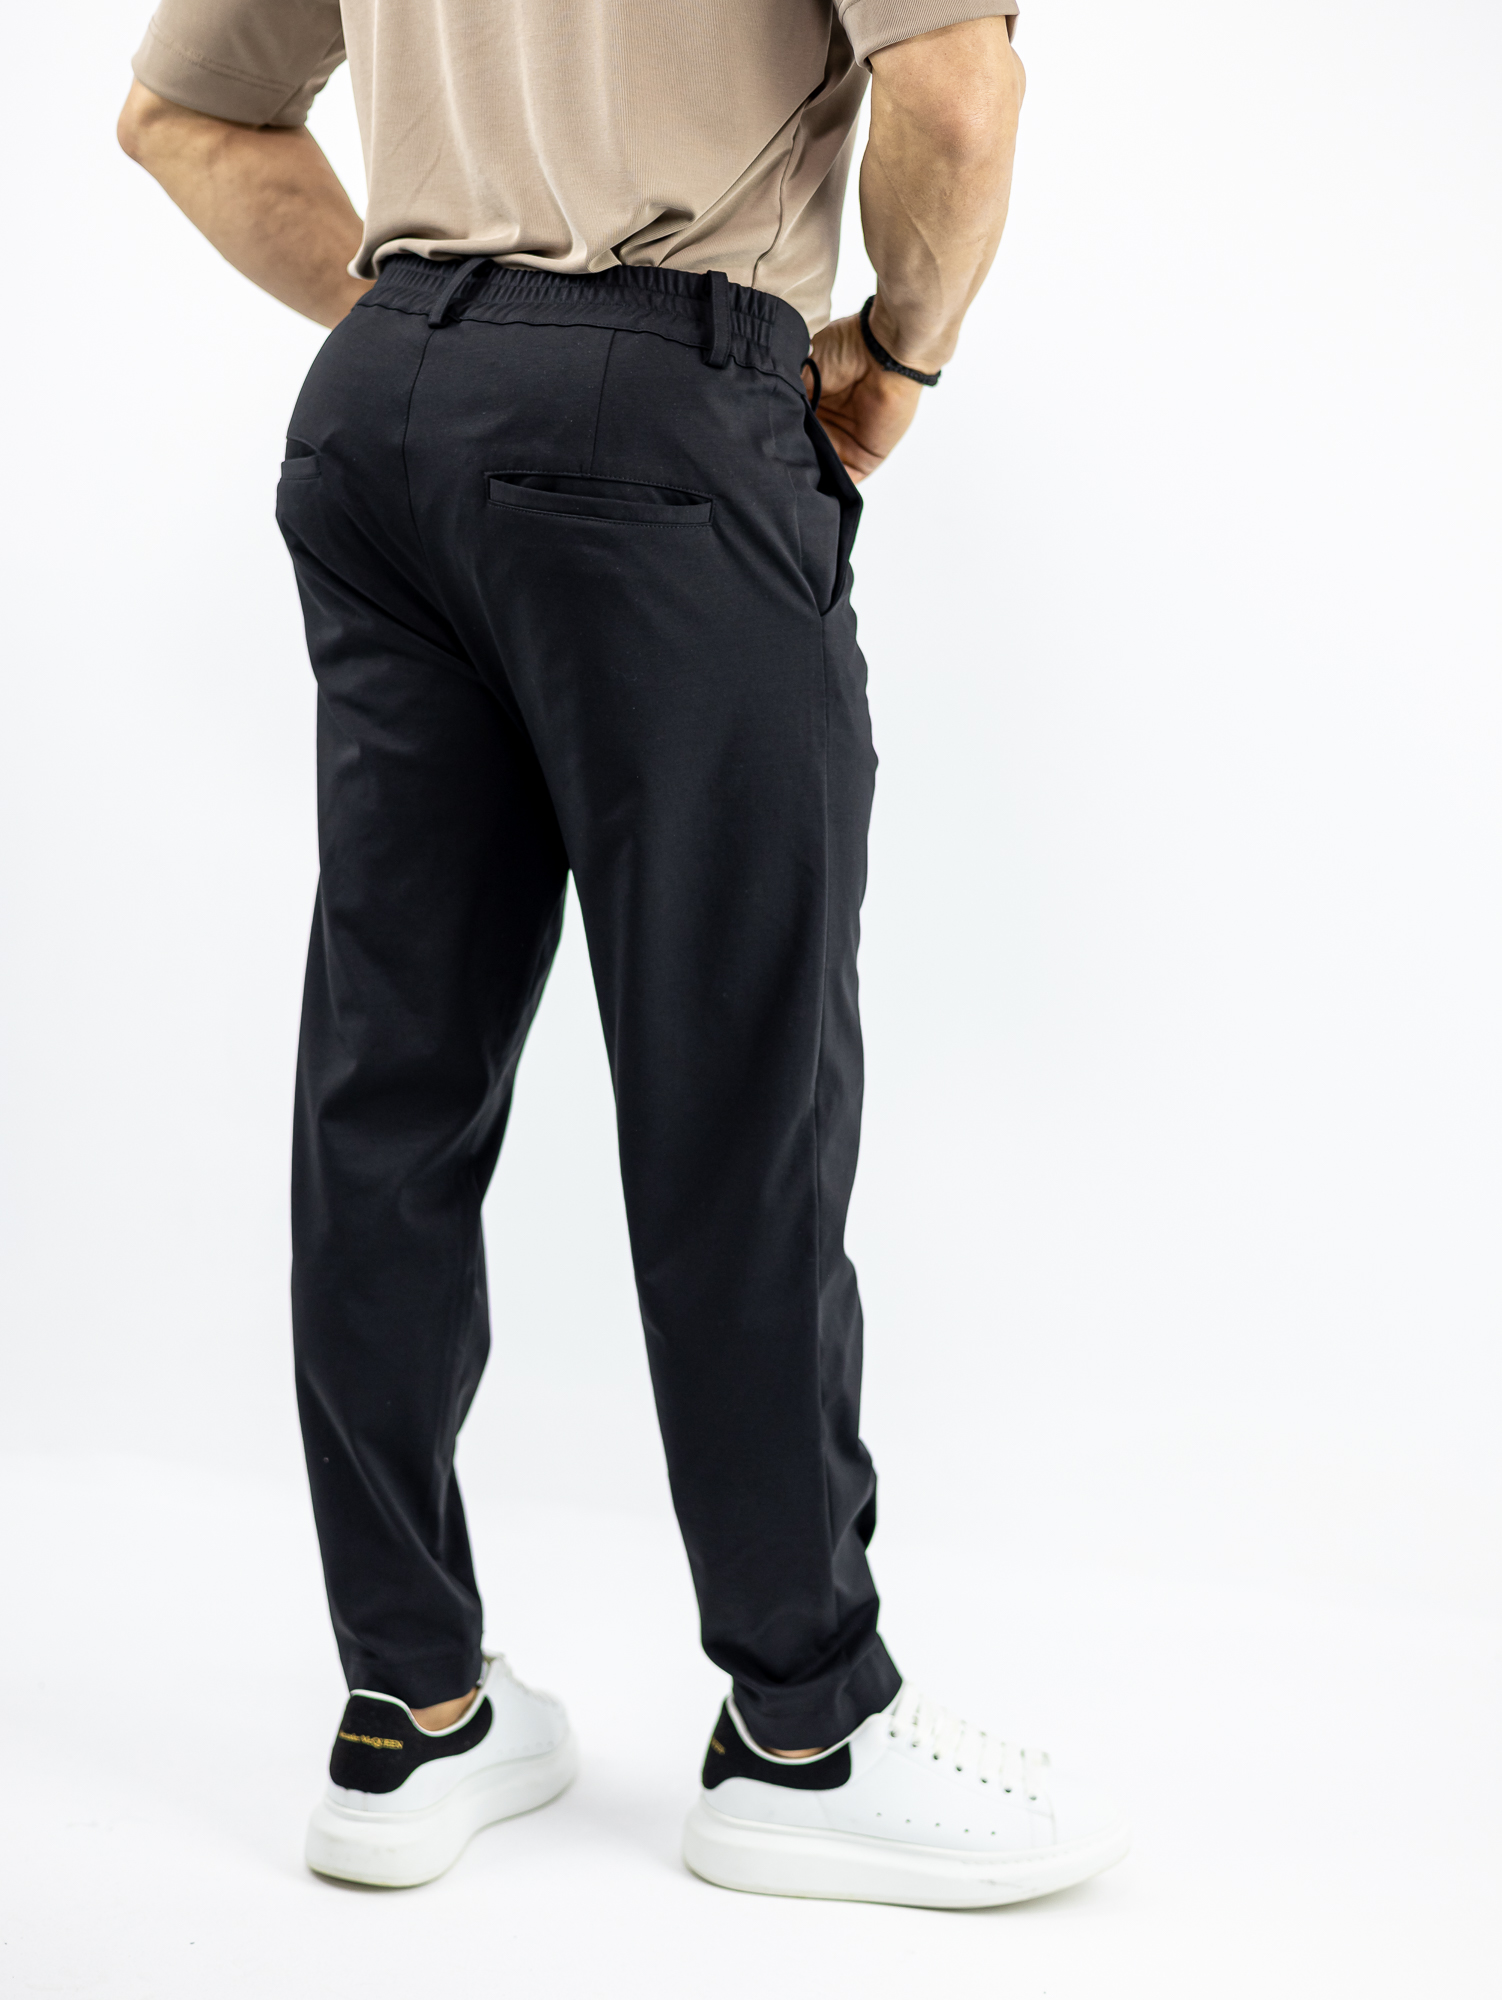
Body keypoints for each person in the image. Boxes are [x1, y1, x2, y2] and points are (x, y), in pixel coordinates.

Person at [117, 0, 1128, 1908]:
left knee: (389, 1077)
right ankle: (803, 1731)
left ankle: (409, 1705)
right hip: (661, 413)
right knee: (738, 1087)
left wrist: (439, 333)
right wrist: (900, 357)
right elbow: (953, 93)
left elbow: (180, 117)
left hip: (381, 419)